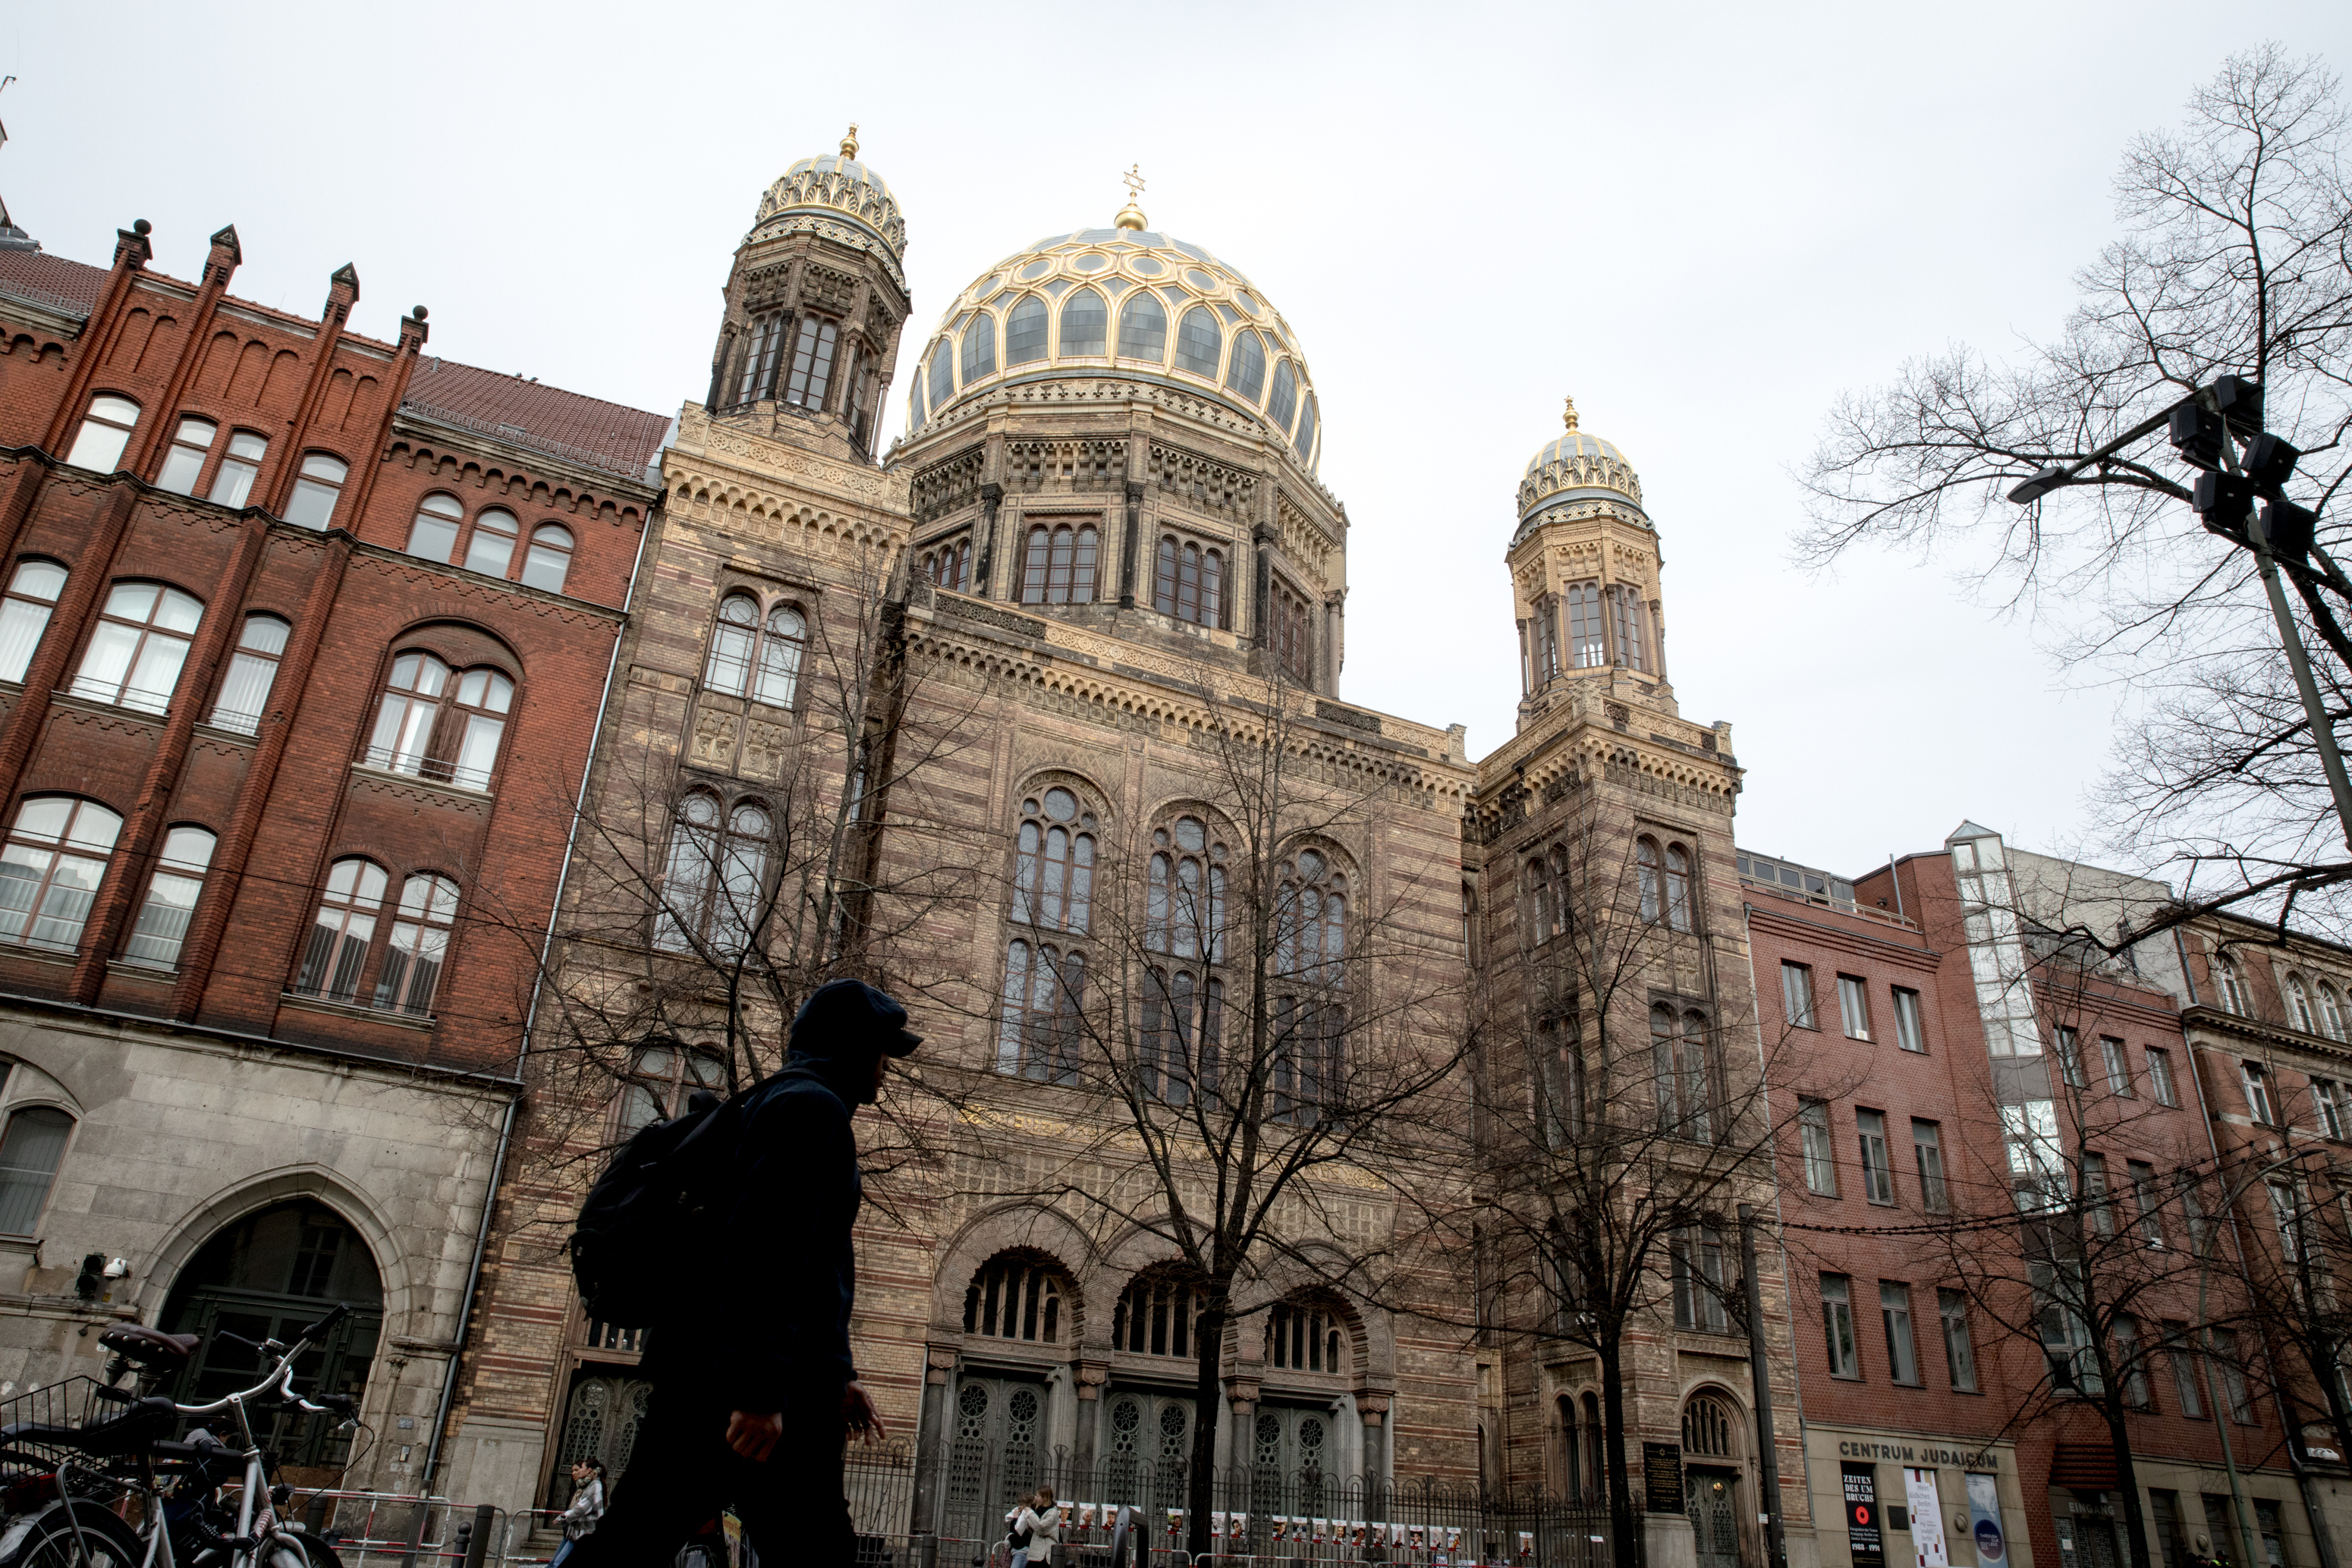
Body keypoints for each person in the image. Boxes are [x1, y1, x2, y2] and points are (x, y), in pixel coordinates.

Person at [561, 979, 920, 1568]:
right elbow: (766, 1250)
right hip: (752, 1394)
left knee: (632, 1542)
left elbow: (813, 1265)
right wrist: (758, 1393)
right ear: (852, 1045)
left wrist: (839, 1375)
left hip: (733, 1377)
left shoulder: (779, 1101)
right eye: (882, 1050)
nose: (887, 1066)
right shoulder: (809, 1108)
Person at [548, 1459, 605, 1568]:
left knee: (556, 1564)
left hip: (583, 1533)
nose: (576, 1473)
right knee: (554, 1563)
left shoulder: (595, 1485)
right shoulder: (586, 1485)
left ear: (588, 1470)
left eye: (581, 1468)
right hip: (574, 1532)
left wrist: (565, 1516)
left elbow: (581, 1509)